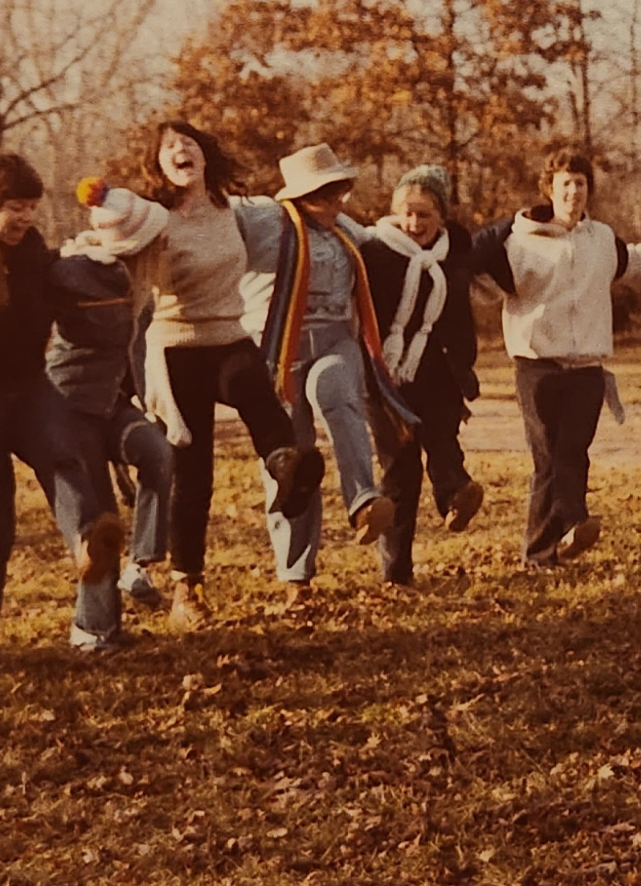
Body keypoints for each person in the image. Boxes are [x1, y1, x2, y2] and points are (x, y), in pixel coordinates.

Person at [119, 121, 325, 631]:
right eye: (169, 148)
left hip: (229, 334)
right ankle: (186, 591)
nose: (181, 151)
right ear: (159, 164)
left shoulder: (233, 210)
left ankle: (286, 470)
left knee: (260, 400)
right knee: (195, 473)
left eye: (188, 143)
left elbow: (294, 215)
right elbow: (114, 248)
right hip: (176, 345)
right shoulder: (154, 219)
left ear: (205, 155)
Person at [0, 152, 124, 669]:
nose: (25, 219)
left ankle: (87, 541)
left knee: (64, 458)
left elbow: (61, 285)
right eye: (14, 208)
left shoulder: (35, 248)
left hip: (27, 383)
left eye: (32, 208)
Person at [471, 146, 641, 568]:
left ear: (588, 190)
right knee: (547, 459)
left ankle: (564, 531)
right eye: (565, 184)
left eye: (580, 183)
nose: (573, 192)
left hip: (588, 368)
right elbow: (480, 282)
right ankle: (545, 547)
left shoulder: (602, 240)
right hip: (537, 365)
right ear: (549, 190)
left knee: (573, 451)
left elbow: (638, 260)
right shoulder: (519, 243)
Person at [259, 143, 412, 604]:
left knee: (336, 391)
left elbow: (391, 243)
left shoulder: (344, 230)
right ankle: (296, 578)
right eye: (322, 195)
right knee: (293, 464)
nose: (333, 203)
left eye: (338, 192)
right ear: (299, 197)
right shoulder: (270, 227)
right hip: (281, 351)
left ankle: (365, 502)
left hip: (335, 341)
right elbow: (215, 230)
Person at [47, 181, 175, 608]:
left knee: (157, 452)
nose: (164, 245)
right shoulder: (81, 271)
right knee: (100, 520)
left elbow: (134, 350)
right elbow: (44, 277)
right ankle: (94, 630)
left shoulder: (134, 284)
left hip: (112, 404)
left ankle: (140, 567)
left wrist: (147, 400)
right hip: (72, 405)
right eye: (156, 238)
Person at [362, 165, 483, 585]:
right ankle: (396, 572)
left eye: (425, 216)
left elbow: (460, 314)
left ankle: (455, 499)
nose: (414, 225)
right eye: (407, 215)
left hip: (439, 371)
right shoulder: (376, 251)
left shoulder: (453, 254)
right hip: (386, 377)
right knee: (401, 470)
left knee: (444, 443)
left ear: (442, 217)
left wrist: (465, 363)